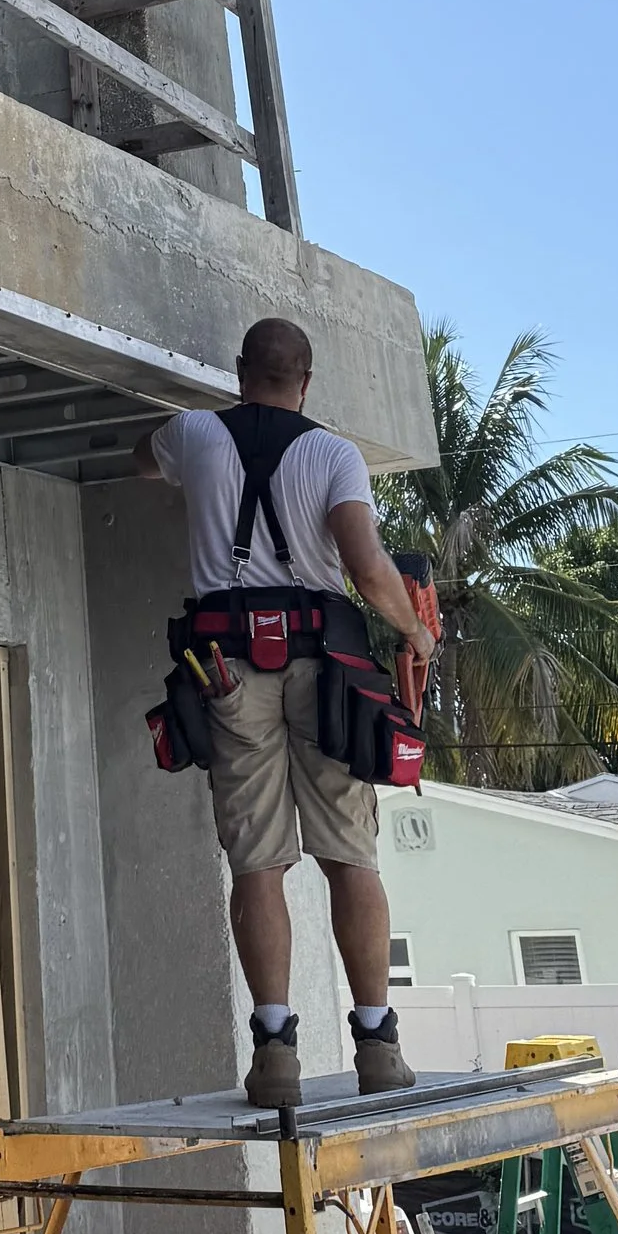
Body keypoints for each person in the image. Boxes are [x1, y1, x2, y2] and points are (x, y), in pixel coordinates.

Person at [136, 315, 434, 1108]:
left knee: (257, 860)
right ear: (307, 381)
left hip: (226, 669)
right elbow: (368, 569)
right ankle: (376, 1043)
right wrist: (416, 630)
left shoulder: (193, 434)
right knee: (350, 853)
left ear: (240, 371)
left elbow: (145, 459)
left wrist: (203, 462)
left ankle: (275, 1053)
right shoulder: (333, 453)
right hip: (326, 671)